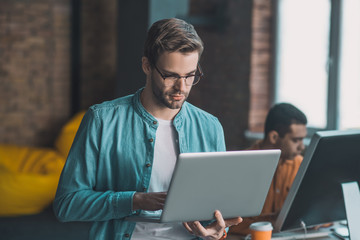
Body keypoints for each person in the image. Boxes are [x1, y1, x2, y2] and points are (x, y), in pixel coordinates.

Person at [53, 18, 242, 240]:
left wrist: (218, 231)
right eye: (171, 76)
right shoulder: (101, 120)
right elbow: (67, 205)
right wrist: (135, 200)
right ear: (147, 66)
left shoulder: (210, 127)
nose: (182, 87)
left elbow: (216, 211)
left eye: (190, 76)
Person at [230, 103, 307, 235]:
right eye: (296, 140)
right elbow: (229, 224)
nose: (302, 147)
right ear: (274, 137)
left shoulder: (301, 164)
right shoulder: (240, 166)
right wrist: (274, 225)